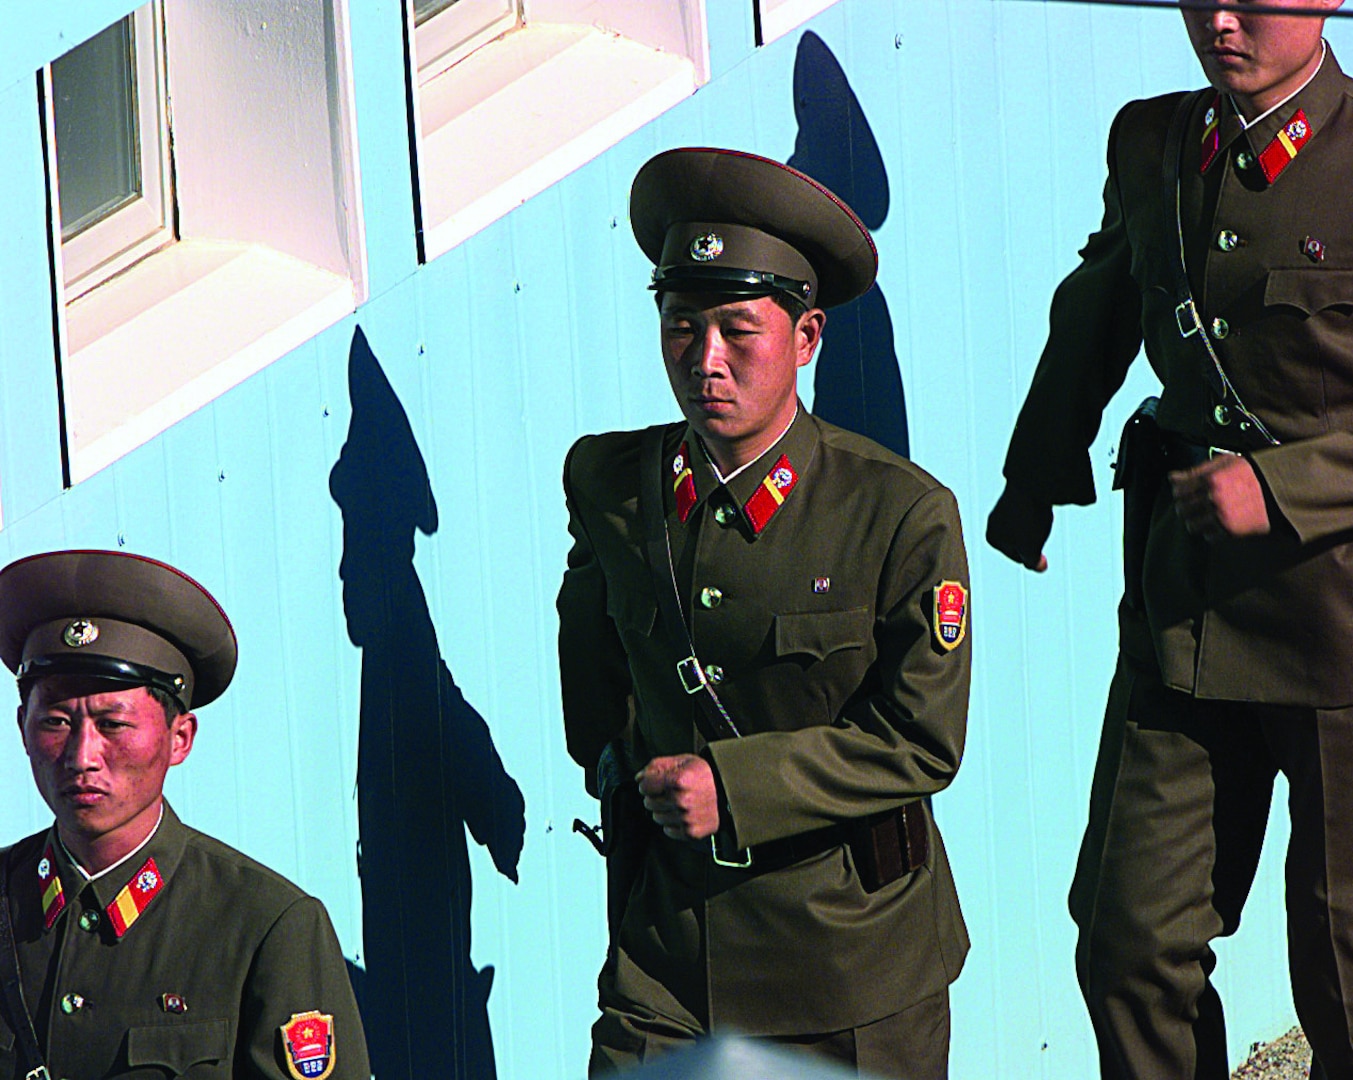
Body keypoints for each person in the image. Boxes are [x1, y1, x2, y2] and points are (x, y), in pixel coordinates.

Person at [986, 1, 1353, 1076]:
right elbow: (1097, 309)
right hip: (1185, 620)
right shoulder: (1151, 142)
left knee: (1343, 975)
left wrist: (1285, 489)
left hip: (1339, 632)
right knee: (1127, 945)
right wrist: (1037, 475)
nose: (1219, 21)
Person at [558, 147, 971, 1078]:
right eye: (680, 325)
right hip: (668, 954)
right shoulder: (610, 485)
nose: (706, 360)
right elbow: (591, 649)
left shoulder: (896, 515)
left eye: (738, 330)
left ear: (807, 335)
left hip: (846, 961)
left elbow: (920, 742)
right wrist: (617, 767)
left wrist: (732, 789)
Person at [0, 549, 370, 1080]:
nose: (82, 756)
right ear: (22, 729)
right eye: (56, 721)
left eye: (113, 724)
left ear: (179, 739)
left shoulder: (265, 927)